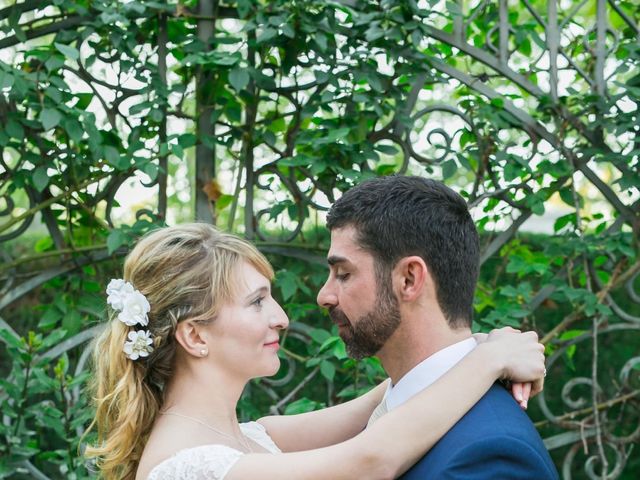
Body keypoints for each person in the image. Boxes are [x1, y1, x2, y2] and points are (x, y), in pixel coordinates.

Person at [84, 223, 546, 480]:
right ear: (196, 337)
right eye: (257, 301)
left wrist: (480, 345)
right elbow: (372, 460)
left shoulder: (250, 436)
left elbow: (398, 389)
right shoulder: (190, 466)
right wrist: (488, 361)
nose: (282, 316)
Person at [314, 175, 559, 479]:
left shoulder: (492, 456)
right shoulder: (394, 408)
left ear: (409, 279)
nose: (324, 296)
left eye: (343, 273)